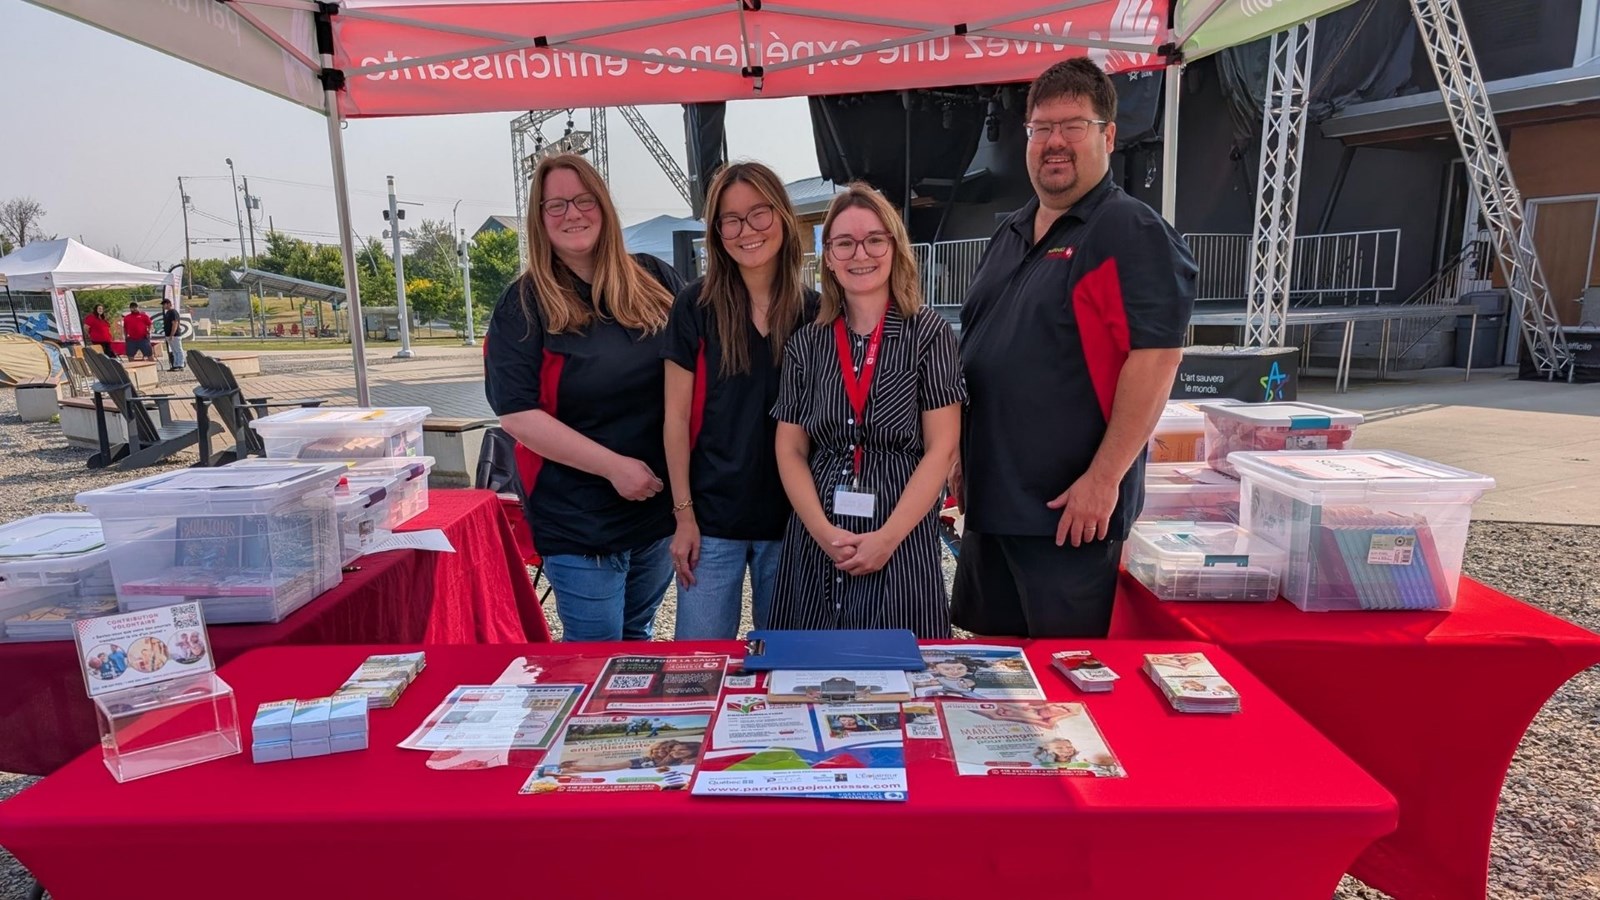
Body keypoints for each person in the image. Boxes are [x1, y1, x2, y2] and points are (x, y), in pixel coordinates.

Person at [952, 58, 1198, 638]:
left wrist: (1104, 479)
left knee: (1064, 693)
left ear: (1108, 135)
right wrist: (962, 456)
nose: (1054, 142)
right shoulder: (1011, 231)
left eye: (1073, 126)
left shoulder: (1127, 231)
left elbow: (1157, 359)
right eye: (1041, 128)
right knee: (991, 676)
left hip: (1067, 516)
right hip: (994, 507)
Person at [483, 153, 683, 643]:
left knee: (637, 638)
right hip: (580, 519)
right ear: (539, 219)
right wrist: (614, 467)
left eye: (583, 199)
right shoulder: (524, 304)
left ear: (604, 206)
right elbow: (517, 414)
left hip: (657, 511)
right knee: (594, 656)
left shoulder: (654, 279)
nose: (572, 214)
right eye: (555, 205)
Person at [769, 184, 965, 638]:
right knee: (810, 678)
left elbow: (942, 448)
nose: (861, 253)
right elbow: (790, 449)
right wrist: (822, 533)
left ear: (895, 247)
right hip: (818, 541)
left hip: (899, 538)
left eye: (875, 239)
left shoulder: (928, 334)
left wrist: (887, 538)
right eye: (845, 243)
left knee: (905, 687)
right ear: (830, 258)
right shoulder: (808, 343)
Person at [662, 162, 817, 639]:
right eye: (731, 219)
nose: (746, 230)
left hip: (792, 524)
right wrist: (683, 516)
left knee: (785, 668)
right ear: (716, 231)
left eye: (758, 214)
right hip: (712, 525)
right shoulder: (695, 306)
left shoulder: (814, 312)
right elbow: (675, 419)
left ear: (783, 217)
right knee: (699, 668)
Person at [160, 299, 186, 371]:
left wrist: (172, 334)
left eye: (164, 304)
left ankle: (181, 364)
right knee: (174, 351)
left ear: (168, 304)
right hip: (168, 335)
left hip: (175, 335)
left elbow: (175, 323)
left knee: (178, 350)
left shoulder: (173, 312)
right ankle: (175, 364)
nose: (163, 306)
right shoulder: (167, 312)